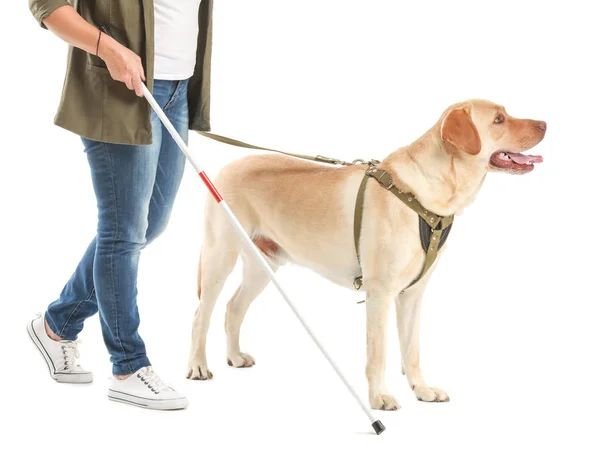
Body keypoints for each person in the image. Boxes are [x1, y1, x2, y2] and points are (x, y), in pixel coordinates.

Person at [26, 0, 213, 410]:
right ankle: (128, 365)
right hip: (121, 89)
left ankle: (56, 324)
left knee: (149, 224)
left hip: (178, 87)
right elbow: (46, 5)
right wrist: (109, 48)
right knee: (124, 231)